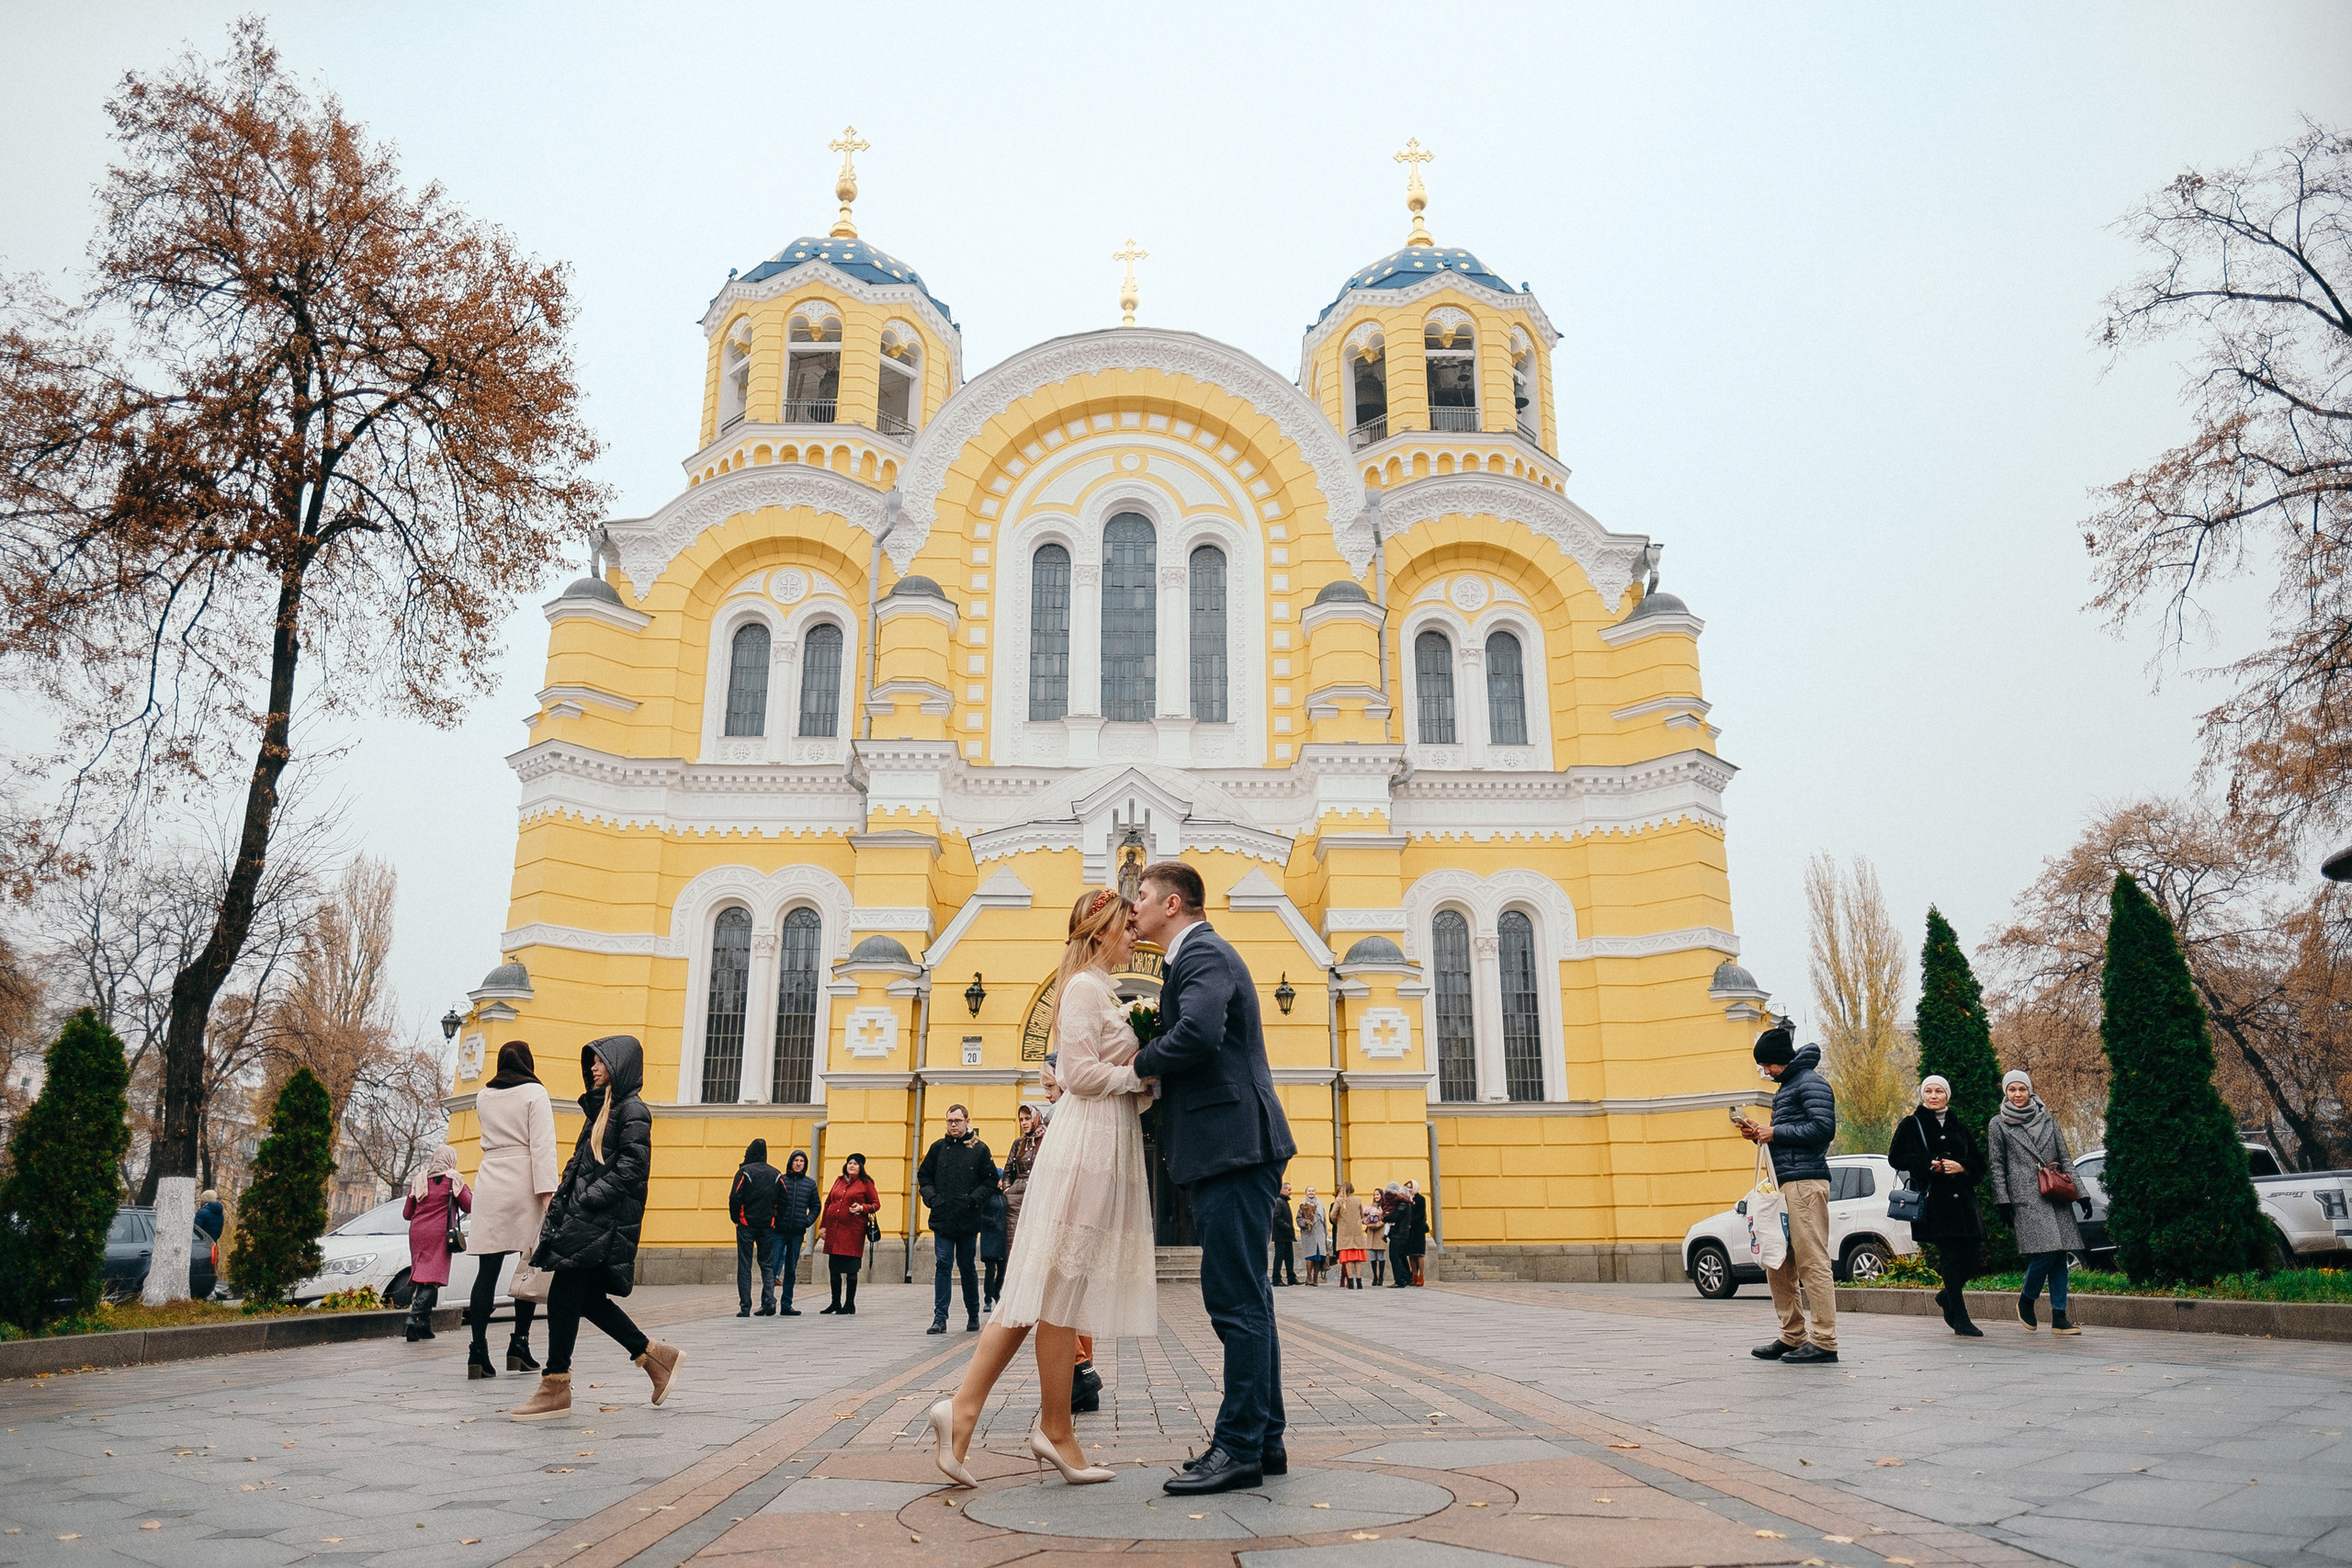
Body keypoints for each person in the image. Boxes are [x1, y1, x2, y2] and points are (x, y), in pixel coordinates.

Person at [930, 888, 1153, 1490]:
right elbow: (1077, 1073)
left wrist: (1143, 1080)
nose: (1135, 935)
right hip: (1085, 1147)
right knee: (1053, 1287)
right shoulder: (1084, 987)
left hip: (1100, 1143)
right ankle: (1031, 1424)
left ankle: (1000, 1417)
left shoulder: (1097, 987)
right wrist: (1144, 1069)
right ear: (1102, 929)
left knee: (1053, 1291)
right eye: (1125, 926)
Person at [1132, 860, 1296, 1496]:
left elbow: (1198, 1031)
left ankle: (1237, 1446)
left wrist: (1140, 1062)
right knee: (1250, 1297)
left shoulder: (1201, 953)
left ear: (1173, 903)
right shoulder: (1199, 956)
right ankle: (1265, 1438)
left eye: (1141, 896)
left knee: (1234, 1302)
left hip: (1232, 1146)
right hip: (1234, 1146)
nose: (1134, 906)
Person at [511, 1036, 684, 1421]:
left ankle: (555, 1384)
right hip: (585, 1217)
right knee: (584, 1300)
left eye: (600, 1062)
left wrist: (587, 1197)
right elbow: (582, 1164)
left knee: (563, 1297)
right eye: (591, 1062)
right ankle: (655, 1356)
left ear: (619, 1065)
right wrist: (564, 1201)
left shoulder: (632, 1110)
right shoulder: (602, 1109)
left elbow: (632, 1168)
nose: (593, 1067)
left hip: (601, 1219)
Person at [1736, 1025, 1839, 1364]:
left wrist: (1775, 1131)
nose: (1764, 1071)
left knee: (1812, 1263)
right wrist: (1758, 1134)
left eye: (1766, 1064)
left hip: (1806, 1184)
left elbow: (1823, 1130)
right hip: (1785, 1183)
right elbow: (1788, 1136)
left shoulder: (1810, 1083)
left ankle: (1824, 1341)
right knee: (1777, 1261)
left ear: (1781, 1059)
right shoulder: (1788, 1086)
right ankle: (1793, 1335)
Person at [468, 1041, 559, 1376]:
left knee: (486, 1272)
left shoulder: (482, 1096)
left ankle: (477, 1351)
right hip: (525, 1181)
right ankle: (519, 1343)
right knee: (528, 1268)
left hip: (490, 1178)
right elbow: (543, 1145)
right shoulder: (535, 1093)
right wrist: (549, 1193)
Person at [1888, 1074, 1985, 1337]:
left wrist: (1962, 1166)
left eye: (1938, 1092)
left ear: (1946, 1095)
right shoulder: (1912, 1124)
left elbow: (1979, 1165)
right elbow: (1895, 1157)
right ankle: (1961, 1318)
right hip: (1935, 1204)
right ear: (1923, 1095)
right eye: (1928, 1091)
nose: (1933, 1096)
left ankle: (1945, 1297)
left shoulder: (1959, 1126)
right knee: (1951, 1258)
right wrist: (1926, 1163)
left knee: (1972, 1256)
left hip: (1964, 1204)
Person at [1987, 1069, 2084, 1335]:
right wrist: (2002, 1200)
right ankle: (2027, 1300)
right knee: (2046, 1251)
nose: (2017, 1094)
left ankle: (2059, 1318)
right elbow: (1997, 1165)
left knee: (2060, 1253)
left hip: (2056, 1194)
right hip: (2026, 1197)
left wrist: (2081, 1193)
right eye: (2012, 1090)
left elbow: (2065, 1158)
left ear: (2030, 1090)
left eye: (2022, 1089)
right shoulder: (1998, 1124)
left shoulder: (2049, 1121)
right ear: (2005, 1093)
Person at [918, 1103, 996, 1335]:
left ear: (966, 1121)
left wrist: (973, 1200)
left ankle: (973, 1314)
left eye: (957, 1121)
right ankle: (940, 1318)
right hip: (942, 1218)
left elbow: (990, 1180)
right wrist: (932, 1198)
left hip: (967, 1219)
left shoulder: (980, 1149)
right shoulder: (938, 1148)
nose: (953, 1125)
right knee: (943, 1264)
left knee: (967, 1267)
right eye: (950, 1121)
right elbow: (924, 1176)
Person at [402, 1145, 470, 1343]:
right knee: (432, 1278)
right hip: (439, 1233)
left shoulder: (420, 1179)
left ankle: (424, 1326)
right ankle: (413, 1320)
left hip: (417, 1232)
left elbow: (407, 1213)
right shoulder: (454, 1179)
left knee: (424, 1277)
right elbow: (468, 1205)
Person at [729, 1138, 783, 1317]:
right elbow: (785, 1200)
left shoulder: (745, 1172)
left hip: (746, 1225)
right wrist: (776, 1219)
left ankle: (745, 1307)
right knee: (767, 1265)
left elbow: (735, 1196)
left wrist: (736, 1218)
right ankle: (769, 1301)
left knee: (745, 1265)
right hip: (768, 1225)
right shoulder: (776, 1173)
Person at [819, 1153, 877, 1314]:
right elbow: (828, 1202)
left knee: (851, 1269)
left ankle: (850, 1304)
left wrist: (861, 1208)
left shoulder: (866, 1183)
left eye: (855, 1164)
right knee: (834, 1268)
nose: (851, 1166)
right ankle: (835, 1303)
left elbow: (875, 1204)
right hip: (835, 1231)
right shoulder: (839, 1181)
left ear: (861, 1167)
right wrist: (823, 1227)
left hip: (853, 1233)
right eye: (849, 1163)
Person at [774, 1149, 818, 1316]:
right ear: (791, 1162)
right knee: (772, 1267)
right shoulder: (781, 1181)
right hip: (778, 1232)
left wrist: (806, 1221)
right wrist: (775, 1220)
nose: (799, 1163)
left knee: (791, 1269)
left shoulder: (810, 1184)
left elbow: (816, 1206)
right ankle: (767, 1302)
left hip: (797, 1233)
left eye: (802, 1161)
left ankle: (786, 1304)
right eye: (796, 1160)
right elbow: (772, 1202)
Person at [1001, 1102, 1045, 1258]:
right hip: (1014, 1201)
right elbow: (1007, 1171)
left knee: (1035, 1248)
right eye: (1021, 1119)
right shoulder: (1019, 1143)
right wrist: (1008, 1191)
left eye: (1027, 1118)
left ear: (1036, 1118)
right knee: (1014, 1249)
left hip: (1037, 1198)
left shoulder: (1046, 1140)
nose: (1024, 1123)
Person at [978, 1182, 1008, 1313]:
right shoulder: (987, 1197)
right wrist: (990, 1221)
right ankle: (987, 1299)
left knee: (1002, 1270)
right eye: (1001, 1179)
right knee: (990, 1270)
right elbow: (978, 1214)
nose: (1002, 1182)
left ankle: (996, 1293)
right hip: (990, 1237)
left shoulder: (1004, 1197)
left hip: (1002, 1237)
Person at [1332, 1181, 1368, 1288]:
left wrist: (1339, 1222)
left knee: (1347, 1258)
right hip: (1356, 1232)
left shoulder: (1339, 1200)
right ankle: (1359, 1280)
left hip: (1344, 1232)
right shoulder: (1358, 1199)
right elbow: (1362, 1215)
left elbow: (1332, 1215)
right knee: (1358, 1258)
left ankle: (1350, 1281)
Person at [1383, 1183, 1414, 1288]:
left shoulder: (1402, 1204)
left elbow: (1394, 1217)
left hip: (1398, 1234)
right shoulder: (1405, 1203)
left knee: (1394, 1257)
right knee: (1401, 1256)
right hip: (1402, 1234)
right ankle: (1407, 1277)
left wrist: (1384, 1218)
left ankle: (1399, 1281)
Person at [1296, 1187, 1328, 1285]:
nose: (1311, 1193)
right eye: (1309, 1191)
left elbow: (1324, 1219)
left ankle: (1315, 1278)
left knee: (1318, 1257)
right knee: (1310, 1255)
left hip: (1319, 1233)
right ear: (1305, 1193)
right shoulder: (1303, 1205)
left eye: (1313, 1191)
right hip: (1309, 1233)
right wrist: (1306, 1221)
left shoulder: (1320, 1204)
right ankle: (1309, 1277)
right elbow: (1298, 1219)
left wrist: (1326, 1233)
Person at [1270, 1182, 1298, 1287]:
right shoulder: (1279, 1202)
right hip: (1281, 1235)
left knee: (1289, 1257)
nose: (1290, 1192)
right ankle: (1276, 1279)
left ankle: (1291, 1278)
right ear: (1282, 1190)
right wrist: (1288, 1226)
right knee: (1279, 1257)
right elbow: (1276, 1217)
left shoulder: (1284, 1202)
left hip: (1287, 1235)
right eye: (1289, 1190)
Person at [1404, 1179, 1430, 1286]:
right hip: (1409, 1231)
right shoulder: (1405, 1199)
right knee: (1411, 1254)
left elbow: (1421, 1215)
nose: (1409, 1189)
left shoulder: (1421, 1199)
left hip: (1418, 1230)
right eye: (1407, 1187)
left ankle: (1421, 1276)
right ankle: (1413, 1276)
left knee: (1419, 1254)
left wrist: (1411, 1222)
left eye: (1411, 1187)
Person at [1363, 1189, 1388, 1286]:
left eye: (1377, 1195)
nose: (1376, 1197)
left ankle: (1381, 1277)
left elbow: (1385, 1220)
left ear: (1382, 1195)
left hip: (1379, 1232)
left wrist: (1376, 1225)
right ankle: (1375, 1277)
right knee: (1373, 1256)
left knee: (1380, 1256)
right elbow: (1365, 1217)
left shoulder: (1384, 1207)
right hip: (1371, 1232)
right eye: (1374, 1195)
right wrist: (1366, 1221)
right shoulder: (1370, 1207)